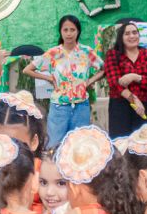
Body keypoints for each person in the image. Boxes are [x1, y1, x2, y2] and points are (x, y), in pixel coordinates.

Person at [24, 14, 102, 147]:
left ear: (78, 31)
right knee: (54, 145)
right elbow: (27, 70)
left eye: (72, 30)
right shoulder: (53, 53)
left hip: (81, 107)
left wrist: (90, 81)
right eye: (65, 30)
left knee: (80, 146)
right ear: (60, 31)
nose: (69, 33)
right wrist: (49, 78)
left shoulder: (86, 52)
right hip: (59, 108)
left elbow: (104, 69)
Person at [102, 21, 147, 138]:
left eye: (134, 32)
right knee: (121, 143)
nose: (132, 36)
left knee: (143, 142)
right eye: (127, 33)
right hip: (120, 107)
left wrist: (135, 77)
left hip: (143, 107)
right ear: (121, 37)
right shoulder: (113, 54)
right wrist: (134, 100)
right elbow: (114, 82)